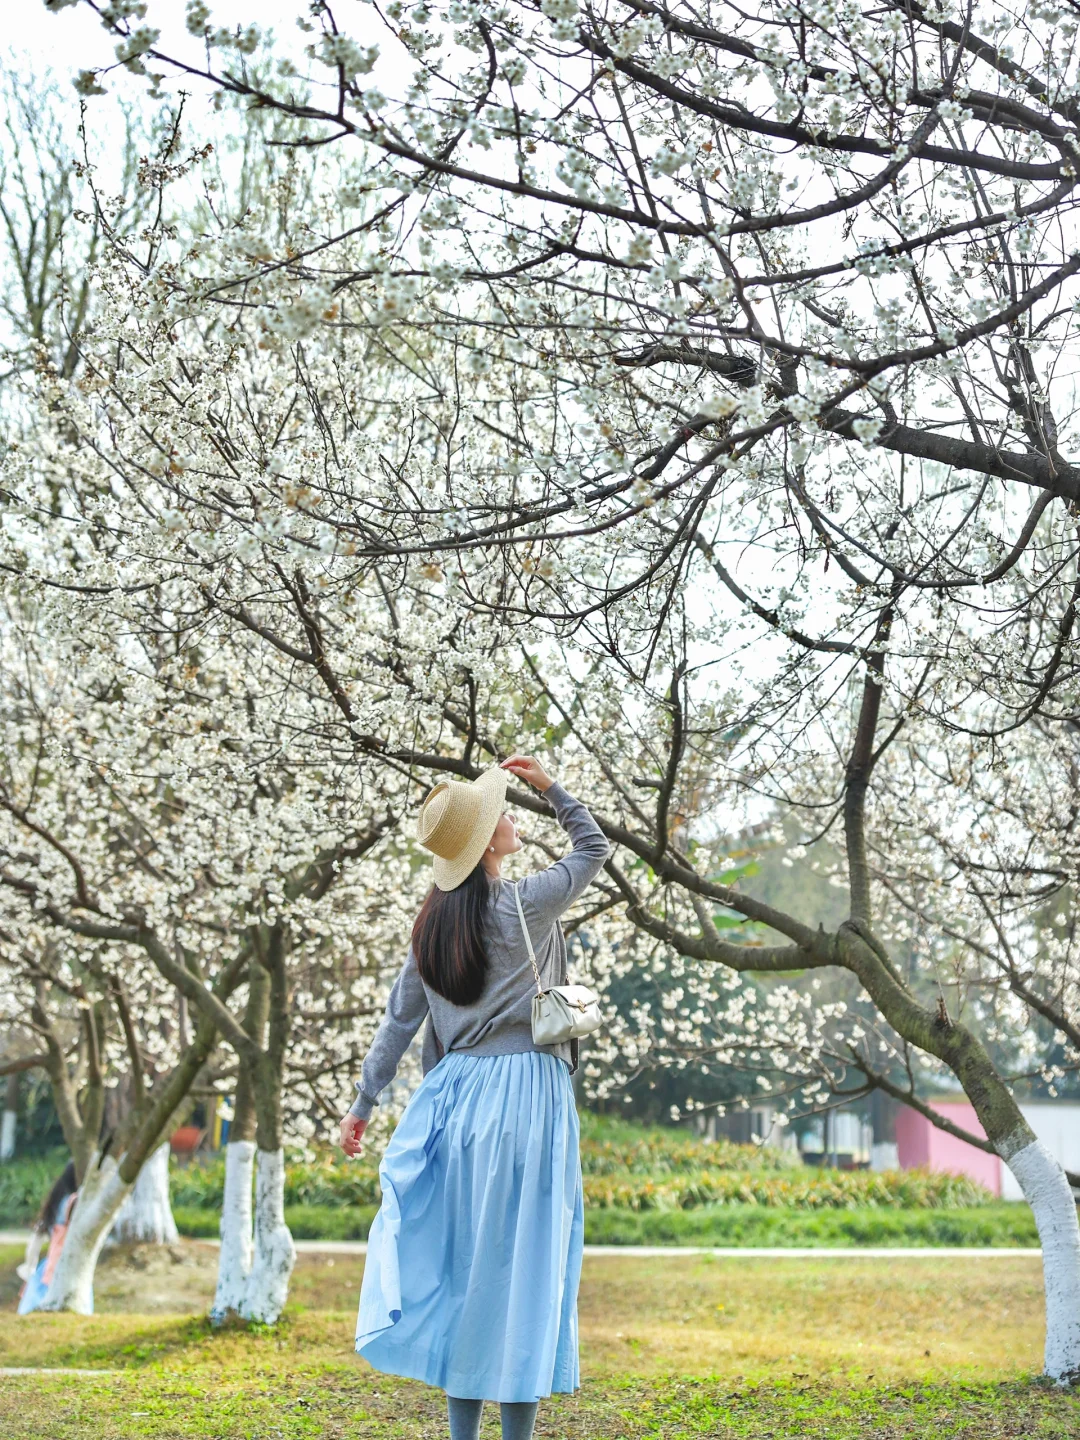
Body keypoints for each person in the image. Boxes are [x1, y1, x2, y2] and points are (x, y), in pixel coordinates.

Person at [339, 755, 610, 1440]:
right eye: (503, 812)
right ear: (489, 840)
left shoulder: (431, 930)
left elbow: (400, 1021)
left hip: (454, 1101)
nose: (513, 816)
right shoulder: (529, 902)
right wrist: (552, 787)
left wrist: (364, 1103)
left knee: (464, 1274)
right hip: (527, 1096)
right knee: (522, 1274)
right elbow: (594, 847)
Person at [17, 1159, 84, 1314]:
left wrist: (30, 1267)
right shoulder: (75, 1201)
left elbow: (35, 1239)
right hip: (66, 1262)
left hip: (49, 1264)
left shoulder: (57, 1200)